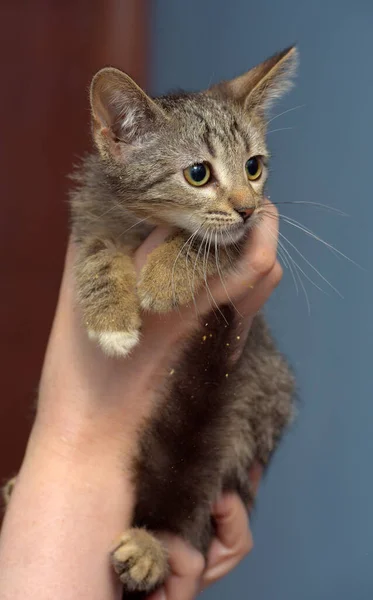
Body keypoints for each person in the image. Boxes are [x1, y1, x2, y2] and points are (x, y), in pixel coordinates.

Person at [0, 203, 281, 600]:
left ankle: (152, 545)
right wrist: (65, 470)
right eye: (199, 172)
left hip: (187, 495)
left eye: (253, 168)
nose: (243, 200)